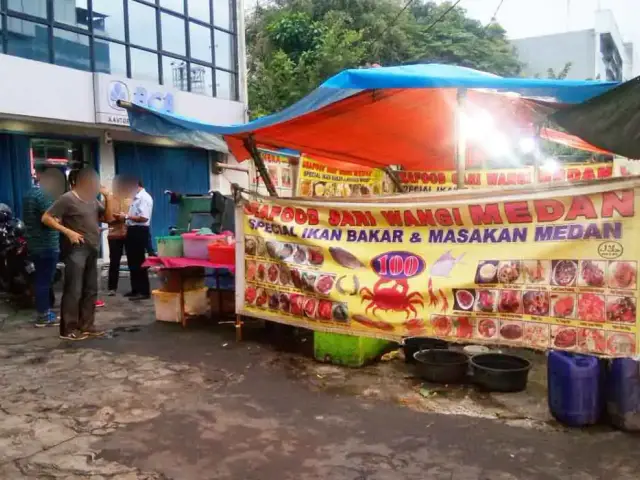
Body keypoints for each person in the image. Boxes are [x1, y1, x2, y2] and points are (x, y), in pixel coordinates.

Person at [42, 168, 113, 340]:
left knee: (90, 289)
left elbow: (108, 218)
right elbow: (46, 217)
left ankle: (86, 325)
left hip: (92, 248)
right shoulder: (67, 198)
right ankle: (68, 329)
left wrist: (108, 197)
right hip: (76, 250)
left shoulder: (92, 200)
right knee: (74, 290)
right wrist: (68, 232)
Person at [23, 166, 60, 327]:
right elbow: (50, 219)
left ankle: (44, 312)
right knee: (44, 281)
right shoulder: (44, 195)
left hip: (34, 243)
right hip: (47, 244)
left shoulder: (29, 194)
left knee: (40, 279)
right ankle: (43, 316)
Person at [118, 178, 153, 301]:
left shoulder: (144, 198)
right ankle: (135, 289)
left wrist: (126, 216)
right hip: (132, 230)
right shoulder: (136, 198)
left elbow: (144, 218)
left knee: (139, 262)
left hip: (139, 231)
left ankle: (144, 291)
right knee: (132, 262)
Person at [106, 176, 131, 296]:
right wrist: (116, 218)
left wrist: (125, 217)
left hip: (129, 233)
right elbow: (106, 218)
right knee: (114, 262)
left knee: (133, 261)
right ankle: (112, 288)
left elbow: (137, 217)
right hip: (114, 235)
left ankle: (135, 288)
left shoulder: (131, 199)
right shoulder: (109, 199)